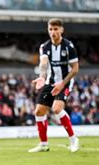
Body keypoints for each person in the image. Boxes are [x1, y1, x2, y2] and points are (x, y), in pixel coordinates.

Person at [29, 18, 79, 153]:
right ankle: (44, 144)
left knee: (57, 109)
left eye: (56, 29)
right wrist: (42, 76)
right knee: (39, 111)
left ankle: (73, 140)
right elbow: (43, 63)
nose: (53, 32)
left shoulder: (69, 46)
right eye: (50, 29)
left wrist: (63, 84)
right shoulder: (44, 47)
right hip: (50, 82)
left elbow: (75, 68)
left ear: (61, 30)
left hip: (65, 81)